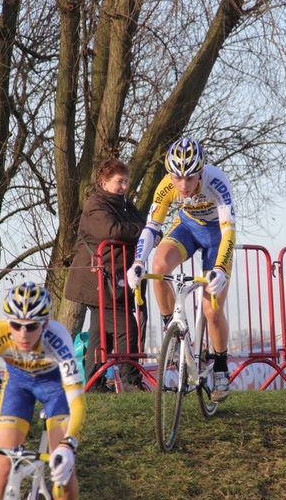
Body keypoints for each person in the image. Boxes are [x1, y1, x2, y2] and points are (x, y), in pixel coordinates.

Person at [0, 282, 87, 500]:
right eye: (16, 325)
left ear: (45, 324)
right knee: (1, 468)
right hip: (18, 384)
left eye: (32, 326)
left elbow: (78, 403)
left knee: (63, 469)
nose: (23, 333)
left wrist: (69, 445)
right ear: (7, 321)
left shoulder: (59, 340)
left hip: (56, 388)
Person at [127, 137, 236, 402]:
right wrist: (138, 262)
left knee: (212, 310)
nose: (183, 185)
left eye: (190, 178)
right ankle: (170, 329)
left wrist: (220, 268)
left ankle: (220, 364)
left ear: (201, 172)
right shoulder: (166, 186)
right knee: (158, 265)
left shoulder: (217, 183)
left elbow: (229, 231)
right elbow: (152, 227)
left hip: (216, 236)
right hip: (187, 227)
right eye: (178, 178)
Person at [65, 158, 148, 392]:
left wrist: (145, 230)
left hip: (111, 278)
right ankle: (130, 381)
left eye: (126, 181)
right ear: (104, 182)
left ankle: (93, 383)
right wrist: (143, 233)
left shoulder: (123, 204)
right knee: (126, 325)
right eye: (119, 181)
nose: (124, 186)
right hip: (97, 279)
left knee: (100, 332)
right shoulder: (96, 205)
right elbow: (110, 231)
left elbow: (142, 223)